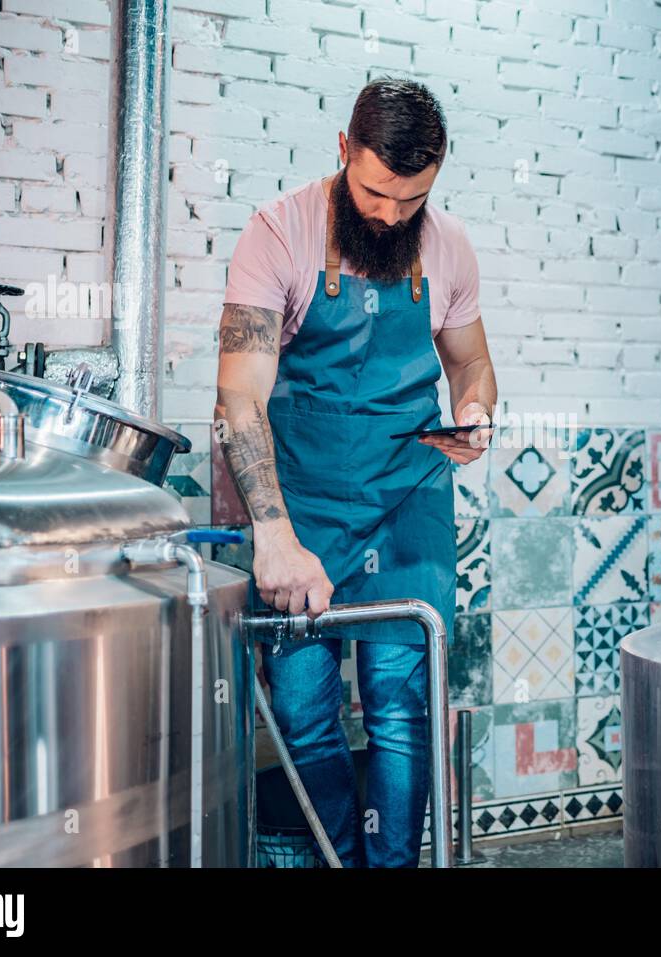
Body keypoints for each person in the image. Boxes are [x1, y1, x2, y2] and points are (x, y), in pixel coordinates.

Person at [214, 78, 497, 867]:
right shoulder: (278, 232)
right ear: (344, 151)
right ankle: (341, 856)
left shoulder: (448, 247)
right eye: (376, 192)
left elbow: (472, 364)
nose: (390, 215)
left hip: (409, 504)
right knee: (303, 711)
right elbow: (238, 397)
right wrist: (273, 535)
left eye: (412, 200)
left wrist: (474, 411)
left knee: (404, 709)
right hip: (301, 509)